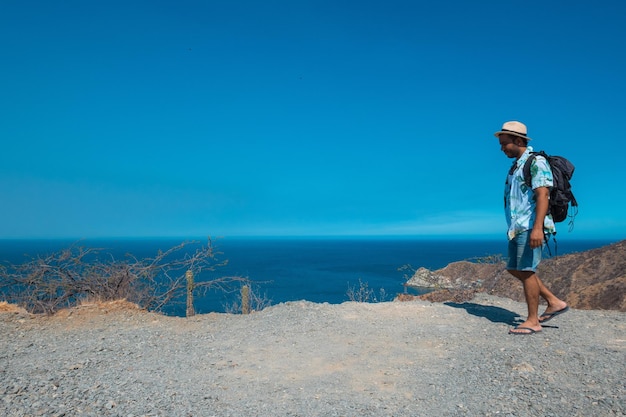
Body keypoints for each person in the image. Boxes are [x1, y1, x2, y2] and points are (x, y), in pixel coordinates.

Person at [495, 121, 569, 335]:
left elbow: (542, 194)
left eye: (504, 143)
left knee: (527, 270)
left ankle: (532, 321)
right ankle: (554, 302)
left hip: (530, 226)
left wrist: (538, 228)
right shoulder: (517, 166)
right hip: (518, 227)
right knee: (514, 268)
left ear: (518, 141)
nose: (501, 148)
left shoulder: (535, 162)